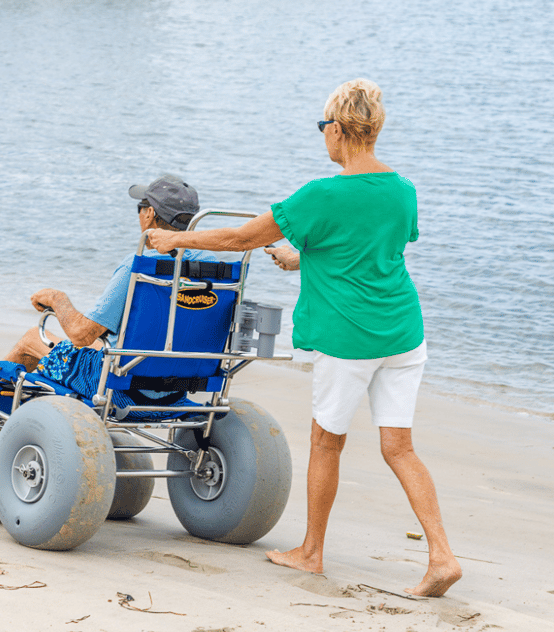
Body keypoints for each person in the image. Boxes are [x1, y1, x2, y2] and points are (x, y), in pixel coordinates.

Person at [148, 80, 461, 598]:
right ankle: (442, 556)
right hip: (403, 336)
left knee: (325, 442)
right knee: (400, 448)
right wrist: (304, 258)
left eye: (323, 127)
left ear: (337, 130)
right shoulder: (402, 189)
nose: (322, 137)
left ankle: (311, 552)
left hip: (349, 340)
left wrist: (175, 238)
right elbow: (374, 253)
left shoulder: (321, 194)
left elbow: (241, 237)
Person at [0, 174, 206, 415]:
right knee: (107, 346)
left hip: (126, 391)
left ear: (149, 214)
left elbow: (82, 335)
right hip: (179, 388)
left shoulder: (139, 267)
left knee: (34, 338)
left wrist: (57, 299)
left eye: (141, 208)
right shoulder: (215, 269)